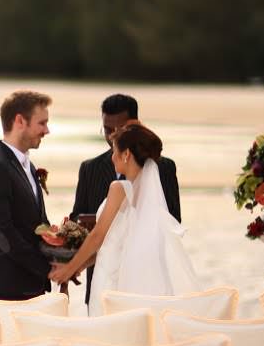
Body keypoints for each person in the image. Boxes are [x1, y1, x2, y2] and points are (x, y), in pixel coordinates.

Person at [52, 123, 199, 297]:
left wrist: (69, 269)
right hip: (121, 275)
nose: (112, 157)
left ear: (126, 154)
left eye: (114, 151)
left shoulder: (119, 188)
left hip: (111, 280)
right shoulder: (146, 198)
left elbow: (98, 236)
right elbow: (115, 245)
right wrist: (81, 265)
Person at [71, 94, 181, 305]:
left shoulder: (164, 168)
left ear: (134, 125)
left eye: (117, 130)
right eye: (106, 129)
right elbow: (79, 217)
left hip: (147, 278)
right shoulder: (90, 169)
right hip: (102, 280)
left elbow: (173, 223)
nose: (111, 136)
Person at [0, 90, 55, 300]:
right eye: (42, 123)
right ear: (20, 121)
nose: (47, 130)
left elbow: (38, 225)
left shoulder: (28, 166)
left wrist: (62, 255)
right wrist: (46, 268)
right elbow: (0, 232)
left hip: (32, 283)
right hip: (7, 285)